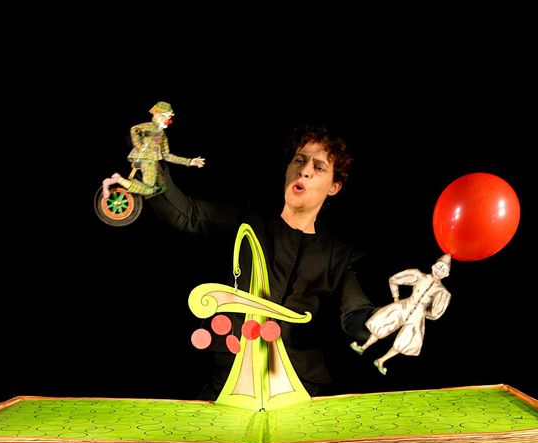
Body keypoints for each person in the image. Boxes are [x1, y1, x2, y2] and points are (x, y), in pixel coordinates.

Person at [141, 124, 377, 399]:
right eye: (299, 160)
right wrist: (151, 167)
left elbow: (355, 314)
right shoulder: (249, 221)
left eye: (319, 167)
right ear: (288, 169)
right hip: (230, 381)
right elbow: (188, 215)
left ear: (334, 187)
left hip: (300, 389)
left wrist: (386, 320)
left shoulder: (339, 255)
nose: (304, 170)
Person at [350, 254, 451, 375]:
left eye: (443, 270)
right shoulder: (419, 276)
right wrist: (396, 298)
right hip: (404, 305)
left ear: (447, 274)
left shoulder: (443, 293)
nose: (439, 271)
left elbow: (436, 313)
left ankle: (381, 361)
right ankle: (363, 347)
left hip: (417, 316)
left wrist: (424, 313)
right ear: (433, 266)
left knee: (406, 340)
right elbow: (394, 279)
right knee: (383, 324)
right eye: (439, 267)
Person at [102, 101, 205, 198]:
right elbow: (134, 130)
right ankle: (118, 179)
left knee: (161, 186)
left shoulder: (162, 136)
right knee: (150, 189)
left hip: (153, 160)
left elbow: (166, 155)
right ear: (159, 115)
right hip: (146, 159)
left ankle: (131, 189)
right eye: (168, 116)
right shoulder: (148, 127)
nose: (169, 120)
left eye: (169, 117)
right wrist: (140, 146)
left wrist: (189, 161)